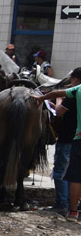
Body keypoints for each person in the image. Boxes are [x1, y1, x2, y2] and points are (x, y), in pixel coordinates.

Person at [33, 67, 81, 220]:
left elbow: (59, 111)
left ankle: (65, 206)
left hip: (71, 138)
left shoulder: (75, 91)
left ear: (76, 79)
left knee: (65, 173)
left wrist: (42, 99)